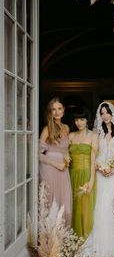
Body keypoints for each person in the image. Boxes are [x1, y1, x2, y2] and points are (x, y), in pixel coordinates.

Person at [81, 101, 114, 257]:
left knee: (108, 205)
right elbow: (94, 154)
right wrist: (100, 168)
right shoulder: (96, 132)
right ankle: (96, 244)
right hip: (100, 171)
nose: (105, 115)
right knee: (98, 205)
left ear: (112, 113)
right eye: (102, 113)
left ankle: (110, 245)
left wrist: (113, 167)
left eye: (107, 112)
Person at [39, 97, 72, 227]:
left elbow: (65, 149)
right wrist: (55, 163)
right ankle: (49, 240)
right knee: (51, 204)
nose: (57, 112)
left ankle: (61, 238)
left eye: (59, 108)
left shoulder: (67, 128)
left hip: (63, 169)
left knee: (65, 207)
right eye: (54, 109)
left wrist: (67, 157)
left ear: (63, 109)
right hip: (50, 169)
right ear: (50, 112)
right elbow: (38, 155)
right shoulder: (47, 129)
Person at [69, 107, 98, 240]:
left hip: (87, 173)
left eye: (82, 119)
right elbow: (63, 151)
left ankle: (86, 239)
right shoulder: (71, 135)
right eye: (76, 120)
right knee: (73, 206)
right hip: (71, 174)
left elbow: (93, 160)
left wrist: (92, 180)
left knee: (85, 207)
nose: (79, 122)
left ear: (87, 120)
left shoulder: (93, 135)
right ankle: (74, 238)